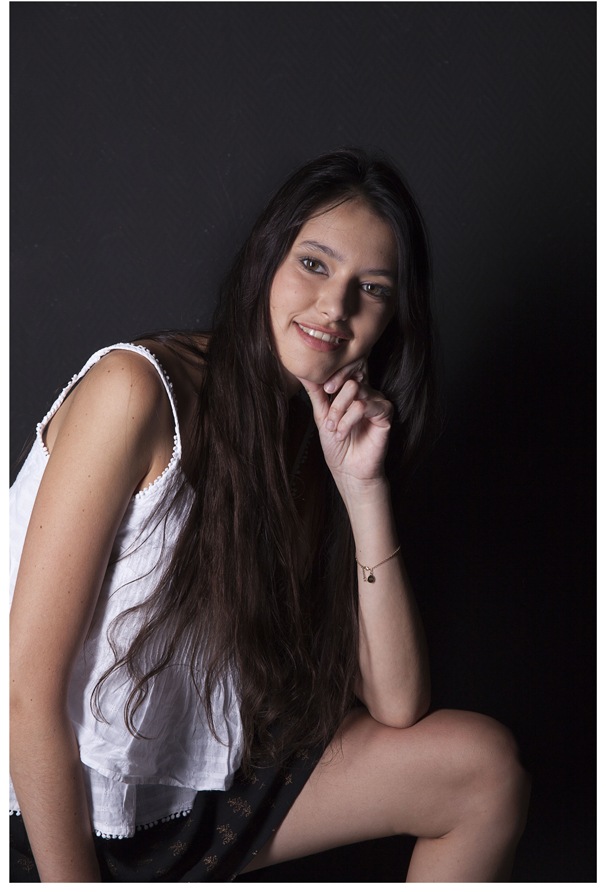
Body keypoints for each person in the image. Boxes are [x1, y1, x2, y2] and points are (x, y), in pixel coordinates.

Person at [10, 147, 530, 883]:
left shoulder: (319, 438)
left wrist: (363, 490)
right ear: (266, 261)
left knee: (483, 772)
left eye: (371, 289)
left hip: (191, 799)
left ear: (391, 320)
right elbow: (25, 691)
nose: (336, 308)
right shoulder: (134, 392)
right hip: (44, 815)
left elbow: (397, 703)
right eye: (314, 264)